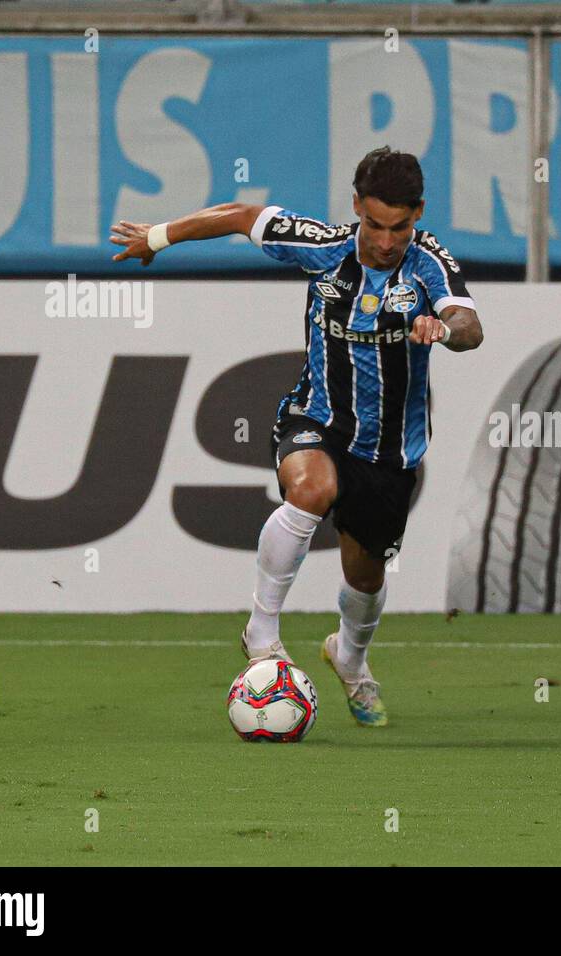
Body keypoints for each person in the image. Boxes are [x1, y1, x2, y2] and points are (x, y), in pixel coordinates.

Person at [111, 147, 483, 728]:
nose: (386, 241)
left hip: (388, 451)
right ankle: (261, 632)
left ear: (418, 215)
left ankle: (350, 659)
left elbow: (470, 326)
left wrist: (445, 328)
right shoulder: (324, 247)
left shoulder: (429, 265)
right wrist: (158, 237)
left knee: (365, 576)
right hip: (314, 418)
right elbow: (240, 215)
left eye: (400, 227)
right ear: (356, 206)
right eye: (375, 224)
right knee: (309, 490)